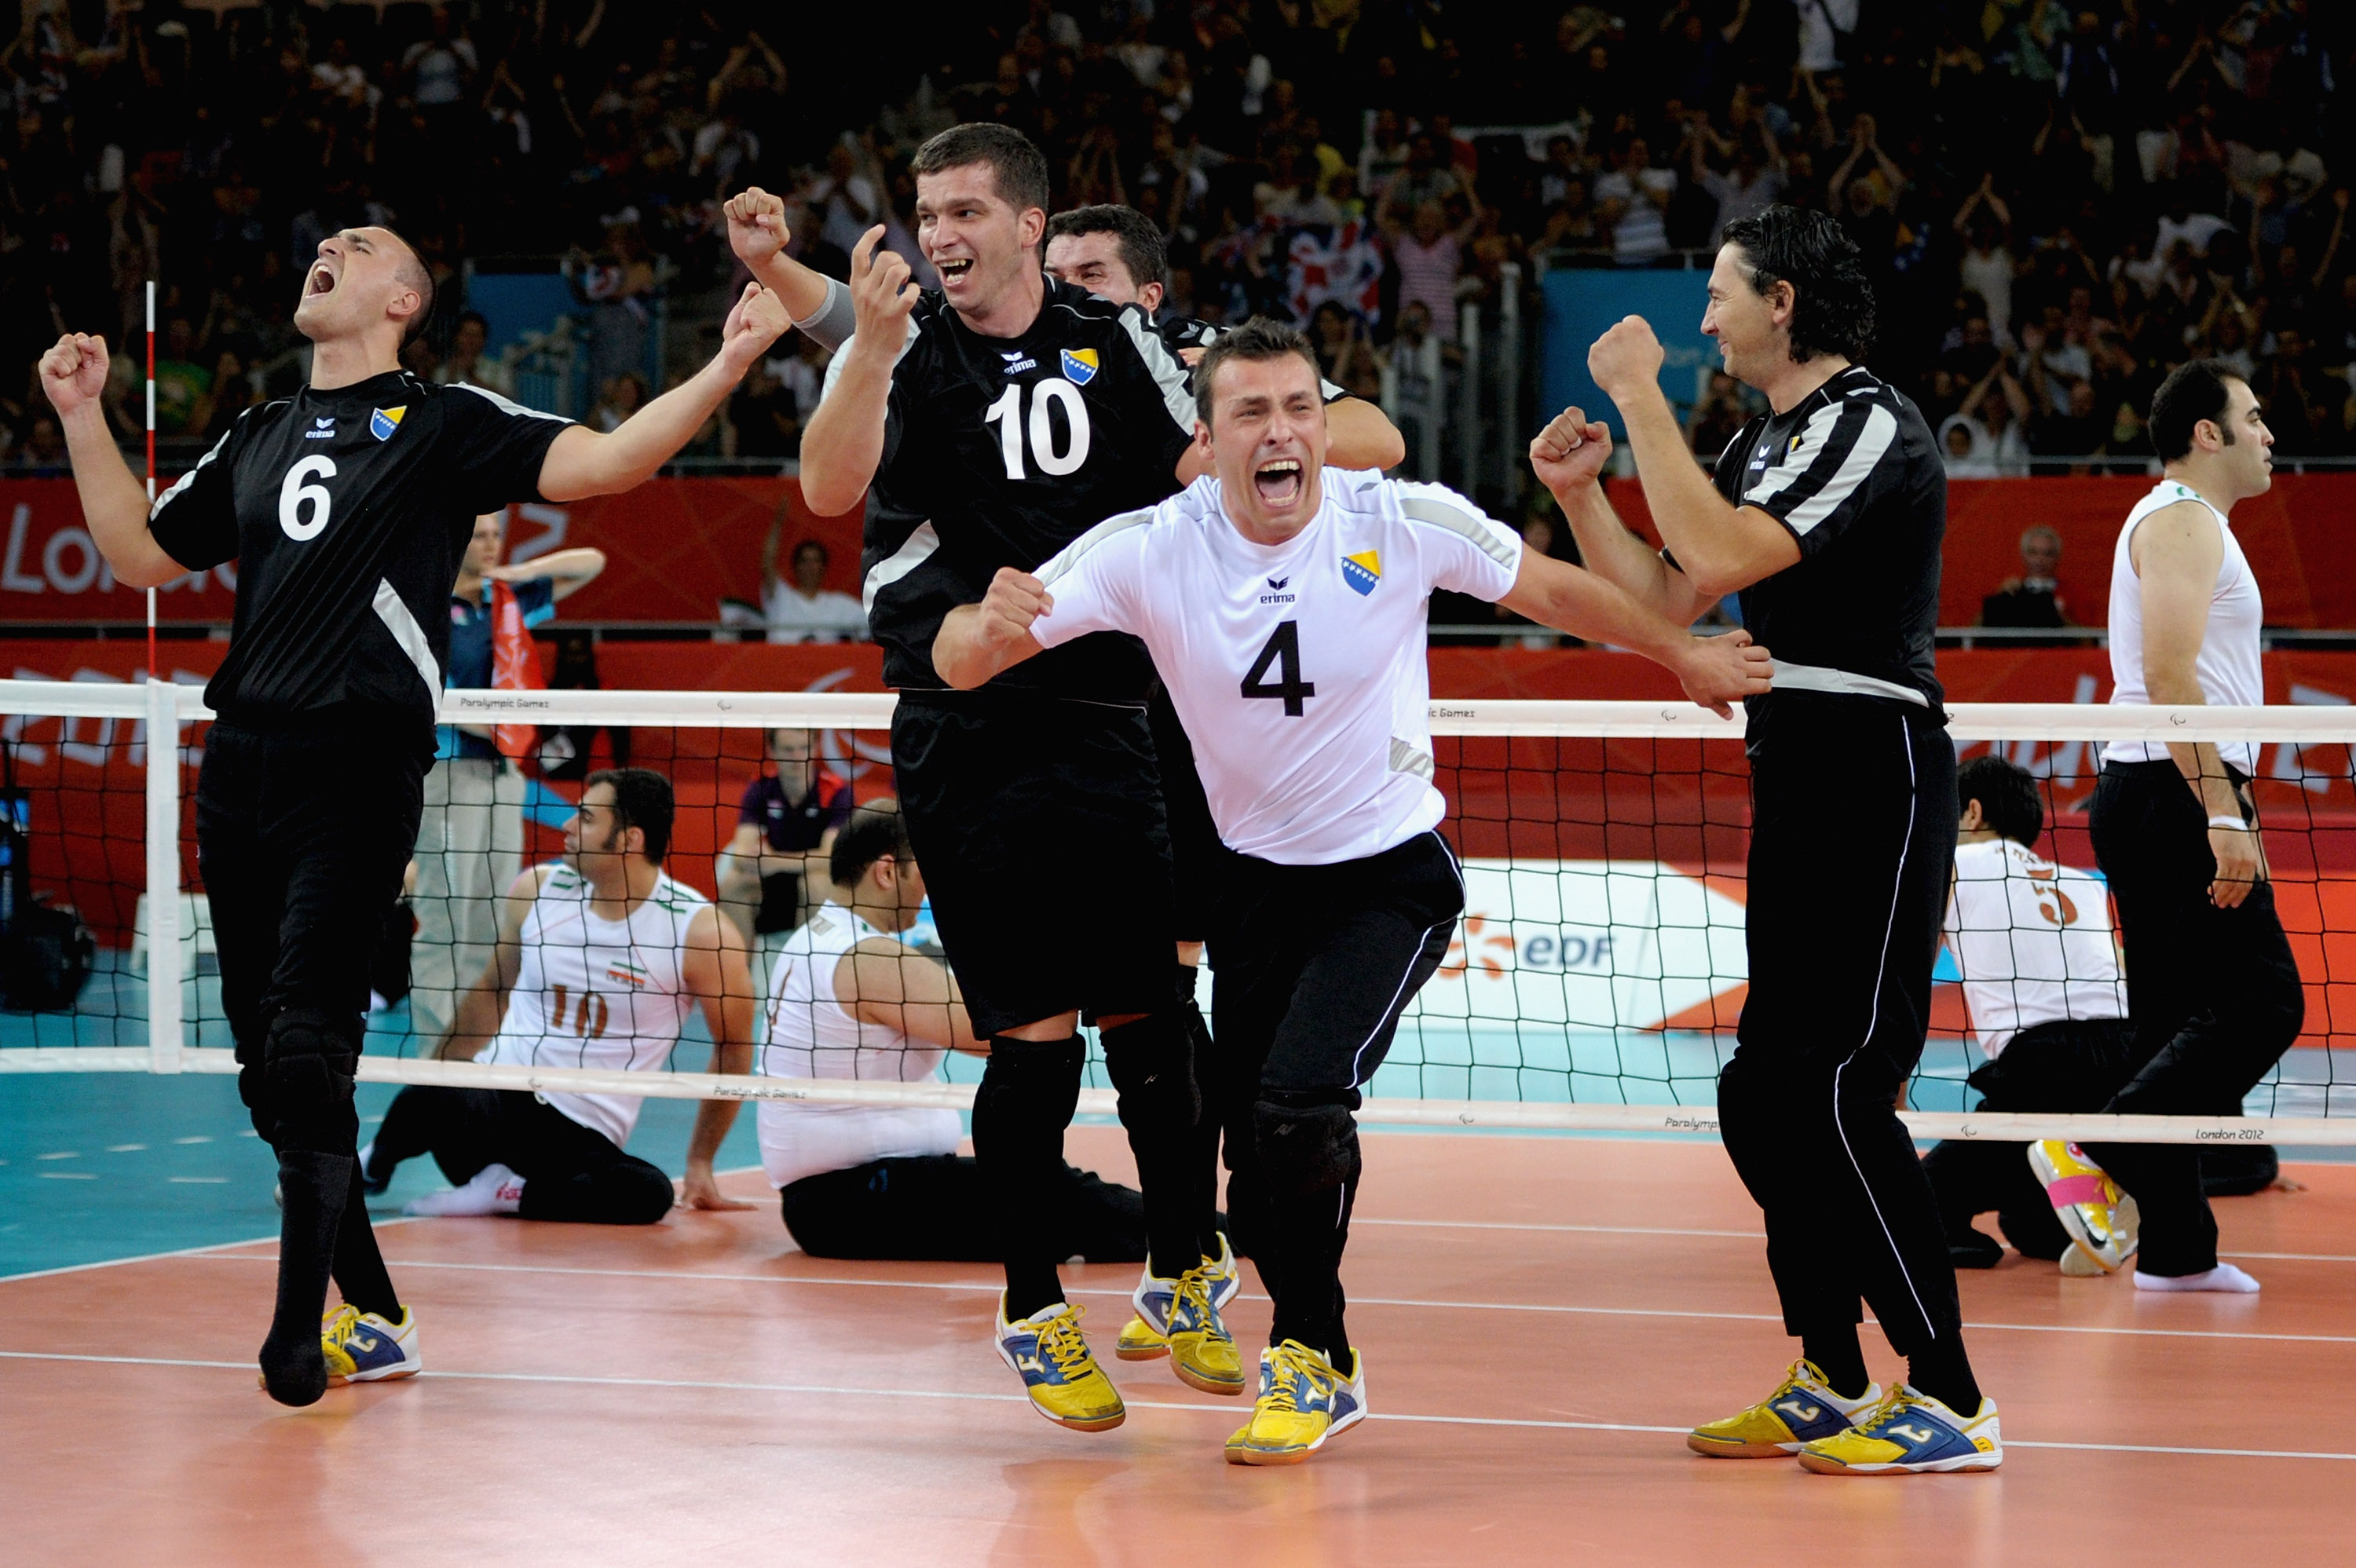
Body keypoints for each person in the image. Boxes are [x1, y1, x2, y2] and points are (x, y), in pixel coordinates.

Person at [932, 317, 1772, 1465]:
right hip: (1251, 896)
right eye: (1251, 413)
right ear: (1208, 436)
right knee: (1260, 1162)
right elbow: (973, 655)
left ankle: (1313, 1354)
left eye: (1299, 411)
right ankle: (1307, 1337)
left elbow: (1555, 595)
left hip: (1389, 878)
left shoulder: (1396, 518)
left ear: (1326, 429)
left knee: (1301, 1108)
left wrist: (1680, 655)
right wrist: (979, 632)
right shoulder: (1147, 546)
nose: (1281, 433)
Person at [41, 225, 791, 1405]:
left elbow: (604, 464)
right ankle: (379, 1311)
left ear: (403, 299)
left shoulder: (442, 420)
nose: (328, 245)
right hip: (241, 767)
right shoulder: (258, 430)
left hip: (358, 761)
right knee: (263, 1070)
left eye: (363, 243)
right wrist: (86, 416)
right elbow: (138, 554)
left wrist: (728, 363)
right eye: (324, 241)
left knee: (307, 1043)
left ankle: (299, 1333)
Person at [725, 126, 1231, 1435]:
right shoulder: (902, 348)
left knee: (1156, 1021)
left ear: (1024, 219)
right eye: (922, 211)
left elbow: (1200, 474)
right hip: (968, 730)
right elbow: (830, 487)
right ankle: (1032, 1305)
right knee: (1033, 1039)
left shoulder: (1112, 341)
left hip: (1111, 721)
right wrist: (871, 349)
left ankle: (1184, 1264)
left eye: (961, 210)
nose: (936, 232)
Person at [1536, 206, 2001, 1474]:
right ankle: (1833, 1371)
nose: (1702, 319)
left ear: (1783, 301)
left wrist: (1635, 398)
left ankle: (1951, 1394)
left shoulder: (1869, 420)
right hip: (1796, 770)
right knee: (1762, 1090)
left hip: (1876, 769)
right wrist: (1582, 496)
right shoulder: (1766, 437)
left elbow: (1730, 549)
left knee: (1842, 1083)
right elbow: (1665, 596)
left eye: (1722, 294)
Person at [697, 801, 1152, 1262]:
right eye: (926, 869)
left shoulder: (827, 939)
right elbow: (992, 1032)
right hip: (851, 1199)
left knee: (1039, 1184)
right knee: (1045, 1190)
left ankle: (1189, 1233)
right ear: (887, 872)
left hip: (857, 1195)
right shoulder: (863, 956)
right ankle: (1200, 1237)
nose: (931, 887)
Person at [2081, 360, 2305, 1295]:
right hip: (2173, 792)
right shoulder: (2178, 518)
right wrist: (2223, 807)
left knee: (2169, 1020)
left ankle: (2177, 1254)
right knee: (2267, 1002)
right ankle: (2107, 1132)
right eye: (2253, 418)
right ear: (2206, 432)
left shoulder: (2194, 523)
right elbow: (2171, 680)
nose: (2270, 435)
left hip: (2155, 790)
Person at [373, 769, 756, 1225]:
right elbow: (491, 992)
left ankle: (506, 1193)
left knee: (648, 1193)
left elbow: (733, 1046)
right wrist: (432, 1088)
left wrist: (699, 1162)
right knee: (442, 1082)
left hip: (580, 1137)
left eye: (587, 818)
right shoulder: (539, 890)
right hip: (498, 1104)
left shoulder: (700, 932)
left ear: (629, 840)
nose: (568, 827)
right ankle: (370, 1162)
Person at [1922, 756, 2137, 1274]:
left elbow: (1908, 972)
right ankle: (2086, 1180)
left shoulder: (1951, 861)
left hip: (2043, 1062)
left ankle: (2064, 1165)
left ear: (1970, 812)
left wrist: (1890, 1069)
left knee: (1916, 1208)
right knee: (2029, 1227)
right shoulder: (2083, 882)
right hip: (2123, 1058)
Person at [410, 509, 608, 1044]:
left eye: (498, 535)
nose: (492, 544)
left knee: (492, 915)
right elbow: (421, 689)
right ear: (455, 539)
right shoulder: (421, 601)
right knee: (446, 914)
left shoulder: (506, 603)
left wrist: (517, 575)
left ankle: (478, 1044)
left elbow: (592, 562)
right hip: (449, 775)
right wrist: (489, 718)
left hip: (503, 776)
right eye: (479, 536)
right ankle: (436, 1051)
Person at [715, 726, 854, 947]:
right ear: (772, 750)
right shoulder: (760, 788)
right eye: (788, 749)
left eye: (804, 748)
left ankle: (806, 968)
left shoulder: (837, 792)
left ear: (816, 748)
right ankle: (739, 971)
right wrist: (757, 859)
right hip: (772, 889)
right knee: (734, 883)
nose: (797, 758)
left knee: (816, 884)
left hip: (814, 883)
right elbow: (739, 854)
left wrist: (775, 862)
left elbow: (830, 858)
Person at [760, 523, 867, 644]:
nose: (810, 567)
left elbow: (871, 621)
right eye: (804, 561)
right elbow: (767, 562)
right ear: (795, 566)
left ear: (823, 567)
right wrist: (779, 519)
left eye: (815, 561)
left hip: (824, 662)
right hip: (781, 661)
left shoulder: (838, 604)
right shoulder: (780, 596)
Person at [1978, 525, 2069, 628]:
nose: (2040, 560)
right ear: (2023, 556)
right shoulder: (2011, 591)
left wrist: (2057, 616)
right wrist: (1999, 597)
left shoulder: (2073, 594)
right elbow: (1971, 634)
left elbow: (2087, 639)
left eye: (2048, 554)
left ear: (2058, 558)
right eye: (2033, 553)